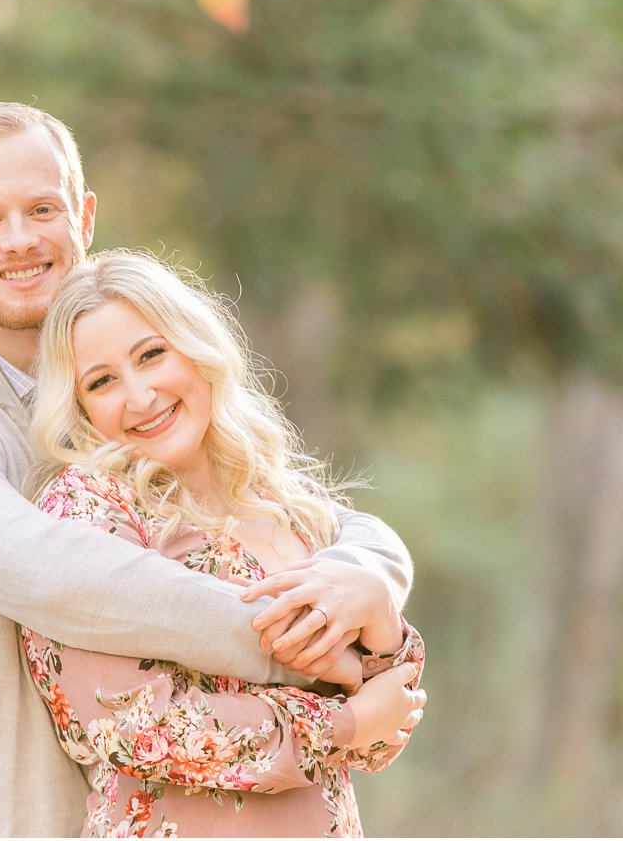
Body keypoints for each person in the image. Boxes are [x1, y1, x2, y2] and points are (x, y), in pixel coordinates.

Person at [0, 103, 421, 836]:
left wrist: (372, 570)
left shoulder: (139, 422)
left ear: (83, 215)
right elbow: (65, 578)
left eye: (41, 208)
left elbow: (303, 515)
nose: (19, 239)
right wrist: (307, 648)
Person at [23, 249, 426, 837]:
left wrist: (377, 602)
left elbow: (387, 725)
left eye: (151, 354)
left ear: (195, 346)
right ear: (79, 405)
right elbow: (122, 721)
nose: (139, 396)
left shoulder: (285, 496)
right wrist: (337, 727)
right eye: (103, 381)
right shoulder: (85, 509)